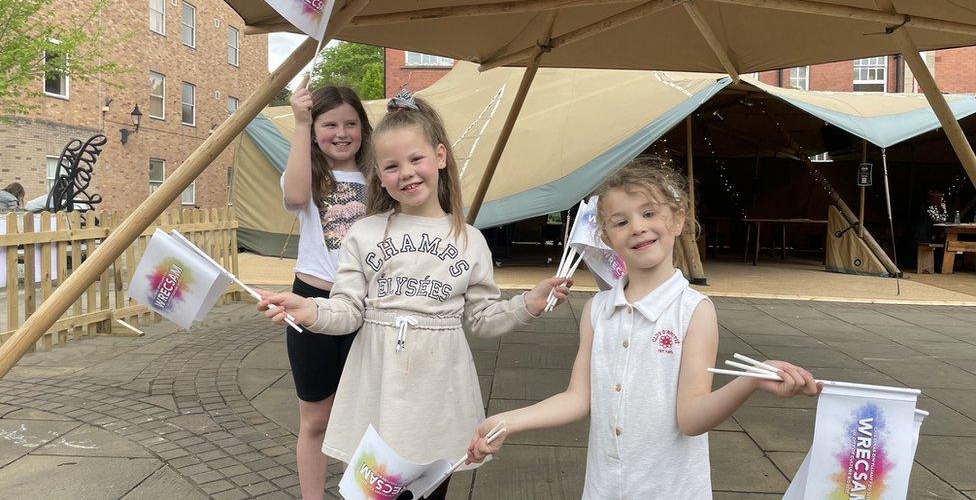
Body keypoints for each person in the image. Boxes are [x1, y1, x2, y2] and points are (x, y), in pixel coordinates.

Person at [258, 91, 572, 500]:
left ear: (440, 156)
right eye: (391, 166)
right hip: (377, 388)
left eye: (415, 159)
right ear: (379, 174)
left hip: (439, 393)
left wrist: (528, 304)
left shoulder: (470, 240)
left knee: (430, 489)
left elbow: (482, 318)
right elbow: (348, 310)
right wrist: (311, 309)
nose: (406, 173)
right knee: (374, 492)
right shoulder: (365, 232)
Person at [466, 157, 821, 499]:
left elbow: (691, 418)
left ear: (678, 219)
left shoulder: (694, 311)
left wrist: (750, 379)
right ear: (606, 237)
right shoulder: (596, 310)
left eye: (649, 213)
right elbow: (576, 398)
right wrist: (505, 421)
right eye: (620, 222)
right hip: (605, 489)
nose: (637, 227)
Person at [279, 74, 373, 500]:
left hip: (367, 306)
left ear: (363, 129)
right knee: (316, 419)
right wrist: (299, 123)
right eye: (329, 124)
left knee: (364, 418)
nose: (341, 133)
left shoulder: (378, 178)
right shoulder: (308, 173)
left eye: (350, 123)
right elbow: (296, 196)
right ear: (316, 133)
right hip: (312, 302)